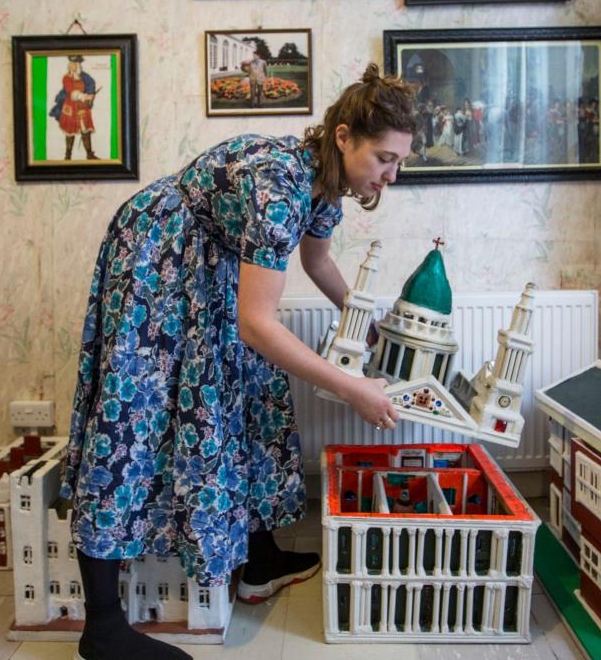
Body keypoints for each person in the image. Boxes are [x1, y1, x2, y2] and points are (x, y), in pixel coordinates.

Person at [60, 64, 414, 660]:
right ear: (345, 136)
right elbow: (258, 324)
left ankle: (259, 558)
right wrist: (354, 389)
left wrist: (362, 317)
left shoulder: (326, 182)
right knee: (133, 416)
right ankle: (102, 628)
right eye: (385, 158)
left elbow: (318, 260)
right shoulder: (280, 186)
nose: (392, 175)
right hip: (157, 254)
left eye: (400, 161)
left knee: (251, 392)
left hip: (211, 261)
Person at [49, 55, 98, 160]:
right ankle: (68, 156)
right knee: (70, 132)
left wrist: (90, 95)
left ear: (78, 65)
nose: (72, 67)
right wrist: (83, 96)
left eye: (74, 65)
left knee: (85, 131)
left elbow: (91, 84)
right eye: (71, 65)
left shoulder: (84, 76)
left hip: (82, 108)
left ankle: (89, 154)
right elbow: (71, 92)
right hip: (71, 108)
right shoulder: (66, 78)